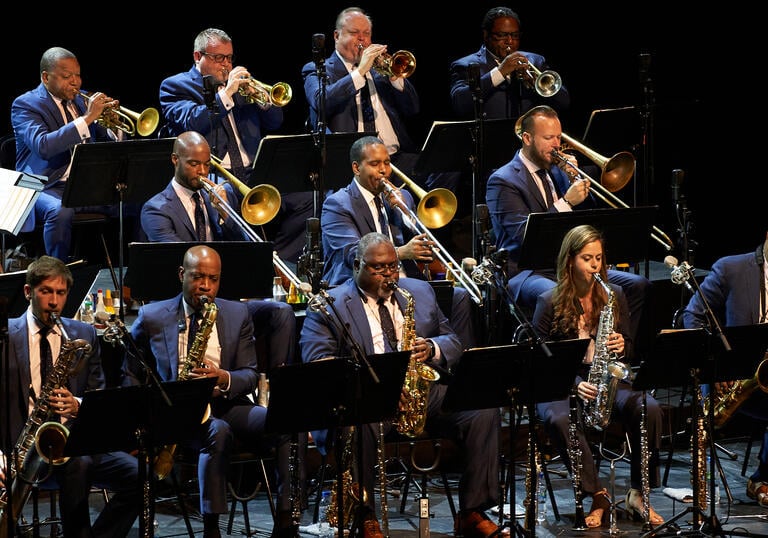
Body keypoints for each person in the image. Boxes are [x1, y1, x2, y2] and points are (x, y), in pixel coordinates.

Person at [300, 232, 501, 538]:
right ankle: (363, 514)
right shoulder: (331, 305)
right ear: (357, 266)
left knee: (480, 408)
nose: (389, 275)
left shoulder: (418, 291)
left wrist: (431, 347)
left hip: (419, 393)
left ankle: (472, 511)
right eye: (378, 268)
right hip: (366, 400)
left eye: (393, 266)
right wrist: (372, 384)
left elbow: (453, 341)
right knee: (359, 420)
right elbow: (319, 364)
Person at [123, 245, 294, 537]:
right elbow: (130, 371)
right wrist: (145, 416)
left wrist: (223, 377)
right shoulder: (152, 316)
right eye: (198, 277)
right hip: (178, 413)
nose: (205, 286)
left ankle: (286, 518)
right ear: (182, 275)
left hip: (227, 404)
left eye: (212, 279)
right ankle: (211, 528)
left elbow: (250, 374)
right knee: (218, 432)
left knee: (284, 422)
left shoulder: (237, 312)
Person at [486, 105, 651, 356]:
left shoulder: (558, 170)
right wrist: (567, 202)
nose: (557, 144)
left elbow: (589, 222)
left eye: (559, 137)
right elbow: (522, 237)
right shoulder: (503, 180)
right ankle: (570, 369)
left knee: (637, 285)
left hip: (569, 265)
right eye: (549, 138)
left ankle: (618, 356)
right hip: (527, 271)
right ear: (527, 138)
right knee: (556, 294)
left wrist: (576, 180)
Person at [533, 224, 664, 528]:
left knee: (649, 407)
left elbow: (629, 349)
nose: (594, 266)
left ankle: (639, 494)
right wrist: (575, 384)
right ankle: (596, 494)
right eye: (587, 259)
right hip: (562, 383)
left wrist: (621, 343)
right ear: (570, 261)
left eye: (599, 259)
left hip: (606, 376)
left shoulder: (614, 295)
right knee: (558, 419)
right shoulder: (549, 301)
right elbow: (539, 360)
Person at [1, 256, 140, 536]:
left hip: (75, 442)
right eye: (46, 291)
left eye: (61, 293)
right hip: (21, 448)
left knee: (140, 474)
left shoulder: (82, 333)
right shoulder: (5, 334)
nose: (54, 301)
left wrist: (77, 405)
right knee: (80, 464)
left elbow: (97, 394)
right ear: (29, 292)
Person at [141, 130, 297, 374]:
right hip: (186, 301)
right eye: (194, 164)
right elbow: (180, 259)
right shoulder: (156, 209)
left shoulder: (217, 200)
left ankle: (275, 389)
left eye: (206, 165)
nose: (202, 172)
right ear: (175, 160)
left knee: (282, 312)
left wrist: (226, 215)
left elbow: (245, 251)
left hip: (225, 300)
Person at [159, 27, 310, 266]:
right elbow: (191, 122)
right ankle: (250, 265)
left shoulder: (239, 85)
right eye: (219, 58)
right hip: (215, 175)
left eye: (229, 58)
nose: (226, 64)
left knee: (307, 197)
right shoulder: (175, 86)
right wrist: (226, 95)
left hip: (254, 172)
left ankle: (278, 262)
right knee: (225, 198)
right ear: (198, 57)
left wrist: (262, 101)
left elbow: (275, 122)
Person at [320, 135, 477, 349]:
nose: (384, 170)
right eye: (375, 164)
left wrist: (406, 212)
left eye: (387, 162)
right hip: (361, 284)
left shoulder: (401, 196)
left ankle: (457, 364)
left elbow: (420, 240)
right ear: (357, 168)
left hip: (404, 282)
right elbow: (352, 254)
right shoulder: (338, 204)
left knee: (459, 297)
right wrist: (402, 252)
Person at [11, 46, 133, 262]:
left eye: (78, 75)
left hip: (83, 185)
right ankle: (56, 274)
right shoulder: (25, 105)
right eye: (67, 76)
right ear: (46, 77)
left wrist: (115, 127)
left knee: (138, 201)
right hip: (42, 185)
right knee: (60, 211)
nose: (75, 82)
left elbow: (107, 146)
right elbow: (43, 146)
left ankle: (134, 274)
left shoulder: (81, 102)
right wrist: (87, 119)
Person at [681, 231, 768, 508]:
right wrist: (714, 366)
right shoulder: (731, 267)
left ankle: (763, 477)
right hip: (730, 379)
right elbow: (692, 316)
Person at [301, 7, 422, 178]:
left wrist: (395, 76)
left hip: (394, 158)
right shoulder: (317, 70)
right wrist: (359, 73)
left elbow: (413, 109)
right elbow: (322, 102)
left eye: (366, 33)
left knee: (443, 168)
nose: (362, 39)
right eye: (354, 33)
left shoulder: (380, 72)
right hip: (354, 166)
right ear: (337, 36)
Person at [450, 7, 570, 124]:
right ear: (486, 35)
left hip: (528, 140)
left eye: (515, 35)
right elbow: (460, 104)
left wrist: (535, 83)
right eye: (502, 35)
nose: (510, 41)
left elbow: (564, 102)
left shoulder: (535, 60)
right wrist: (500, 72)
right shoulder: (465, 65)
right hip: (491, 139)